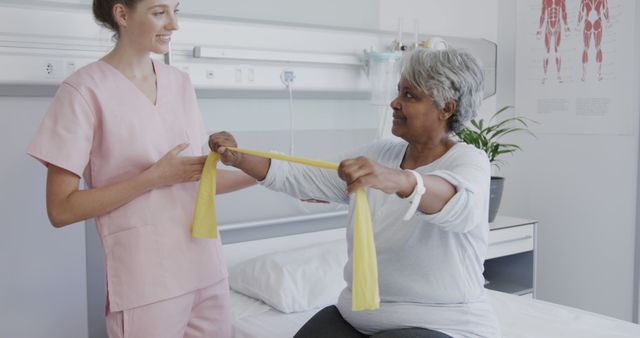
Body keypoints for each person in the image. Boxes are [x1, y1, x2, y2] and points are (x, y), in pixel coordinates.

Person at [210, 47, 501, 338]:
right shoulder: (380, 154)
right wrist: (239, 157)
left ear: (446, 108)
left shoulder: (467, 160)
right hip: (357, 316)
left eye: (409, 96)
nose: (394, 103)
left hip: (440, 323)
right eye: (399, 92)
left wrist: (401, 181)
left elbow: (459, 203)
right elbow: (303, 176)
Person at [27, 1, 255, 337]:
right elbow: (60, 209)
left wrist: (271, 176)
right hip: (146, 284)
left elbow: (195, 180)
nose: (174, 24)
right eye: (159, 12)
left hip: (206, 271)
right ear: (122, 15)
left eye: (176, 10)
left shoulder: (180, 83)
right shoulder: (83, 92)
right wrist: (152, 179)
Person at [536, 0, 570, 84]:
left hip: (557, 25)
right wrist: (539, 29)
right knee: (546, 50)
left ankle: (558, 75)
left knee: (557, 50)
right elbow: (543, 14)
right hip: (548, 25)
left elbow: (564, 13)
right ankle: (544, 75)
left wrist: (566, 26)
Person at [577, 0, 610, 81]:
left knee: (596, 48)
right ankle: (586, 74)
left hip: (594, 22)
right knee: (588, 48)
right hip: (591, 22)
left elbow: (605, 9)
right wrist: (608, 22)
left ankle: (597, 74)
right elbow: (581, 11)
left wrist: (578, 24)